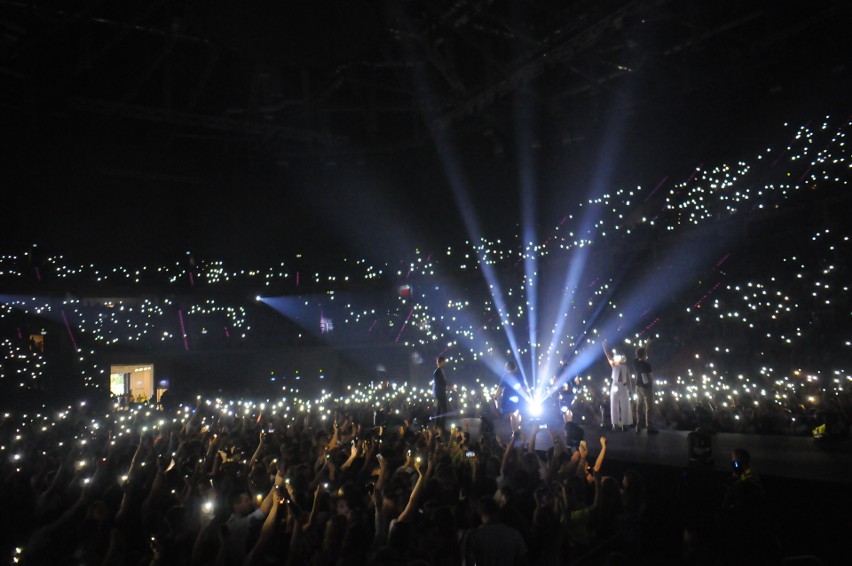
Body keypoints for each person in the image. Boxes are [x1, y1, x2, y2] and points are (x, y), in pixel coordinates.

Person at [463, 495, 529, 566]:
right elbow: (522, 561)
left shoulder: (473, 536)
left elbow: (469, 563)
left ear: (479, 513)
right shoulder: (513, 533)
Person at [602, 340, 633, 431]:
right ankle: (615, 424)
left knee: (625, 404)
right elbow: (608, 355)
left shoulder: (626, 366)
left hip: (623, 386)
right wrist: (604, 346)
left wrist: (630, 386)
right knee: (614, 404)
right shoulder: (613, 364)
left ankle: (624, 424)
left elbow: (628, 377)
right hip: (615, 385)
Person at [633, 339, 657, 433]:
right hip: (647, 388)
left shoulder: (636, 362)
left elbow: (641, 351)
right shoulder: (647, 365)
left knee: (639, 406)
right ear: (644, 355)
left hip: (638, 387)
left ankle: (638, 426)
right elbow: (650, 377)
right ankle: (649, 426)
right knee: (649, 407)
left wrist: (647, 343)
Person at [496, 361, 527, 432]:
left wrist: (495, 396)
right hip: (519, 397)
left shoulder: (506, 376)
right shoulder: (519, 375)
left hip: (508, 398)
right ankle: (518, 429)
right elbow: (524, 387)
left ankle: (515, 432)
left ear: (507, 368)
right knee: (518, 413)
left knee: (512, 415)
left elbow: (500, 388)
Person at [432, 356, 451, 433]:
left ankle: (437, 425)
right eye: (443, 362)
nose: (444, 363)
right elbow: (439, 382)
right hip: (440, 393)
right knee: (444, 410)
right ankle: (441, 426)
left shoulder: (440, 371)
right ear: (440, 362)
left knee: (439, 410)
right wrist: (447, 385)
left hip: (440, 392)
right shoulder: (437, 371)